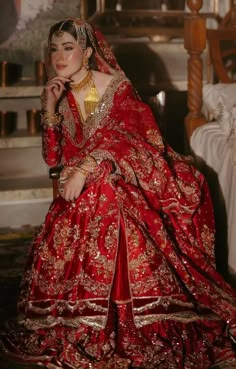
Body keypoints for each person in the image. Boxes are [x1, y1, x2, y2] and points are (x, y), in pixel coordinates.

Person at [1, 17, 236, 369]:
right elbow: (53, 157)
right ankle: (80, 316)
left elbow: (124, 139)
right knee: (91, 195)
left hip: (124, 179)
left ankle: (124, 315)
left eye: (68, 48)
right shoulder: (62, 96)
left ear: (88, 50)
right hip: (81, 188)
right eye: (54, 49)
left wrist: (85, 169)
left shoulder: (109, 87)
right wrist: (49, 110)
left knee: (105, 193)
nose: (60, 57)